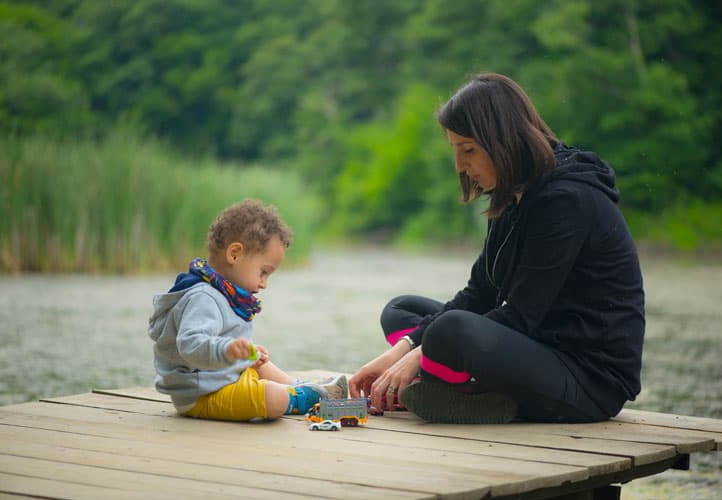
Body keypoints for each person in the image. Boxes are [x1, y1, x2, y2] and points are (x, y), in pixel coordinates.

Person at [348, 73, 645, 424]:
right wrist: (403, 349)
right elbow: (480, 293)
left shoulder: (567, 201)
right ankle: (468, 392)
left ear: (503, 140)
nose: (459, 165)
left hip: (589, 381)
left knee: (449, 330)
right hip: (537, 352)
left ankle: (448, 385)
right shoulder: (512, 194)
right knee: (401, 310)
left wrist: (417, 355)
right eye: (455, 150)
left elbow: (519, 316)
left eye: (468, 149)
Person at [149, 199, 347, 421]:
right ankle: (297, 397)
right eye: (263, 272)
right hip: (201, 394)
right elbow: (191, 345)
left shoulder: (224, 293)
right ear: (235, 254)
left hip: (221, 378)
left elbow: (222, 339)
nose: (264, 284)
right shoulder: (202, 298)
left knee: (260, 362)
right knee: (274, 398)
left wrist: (244, 351)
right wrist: (228, 350)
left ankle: (299, 385)